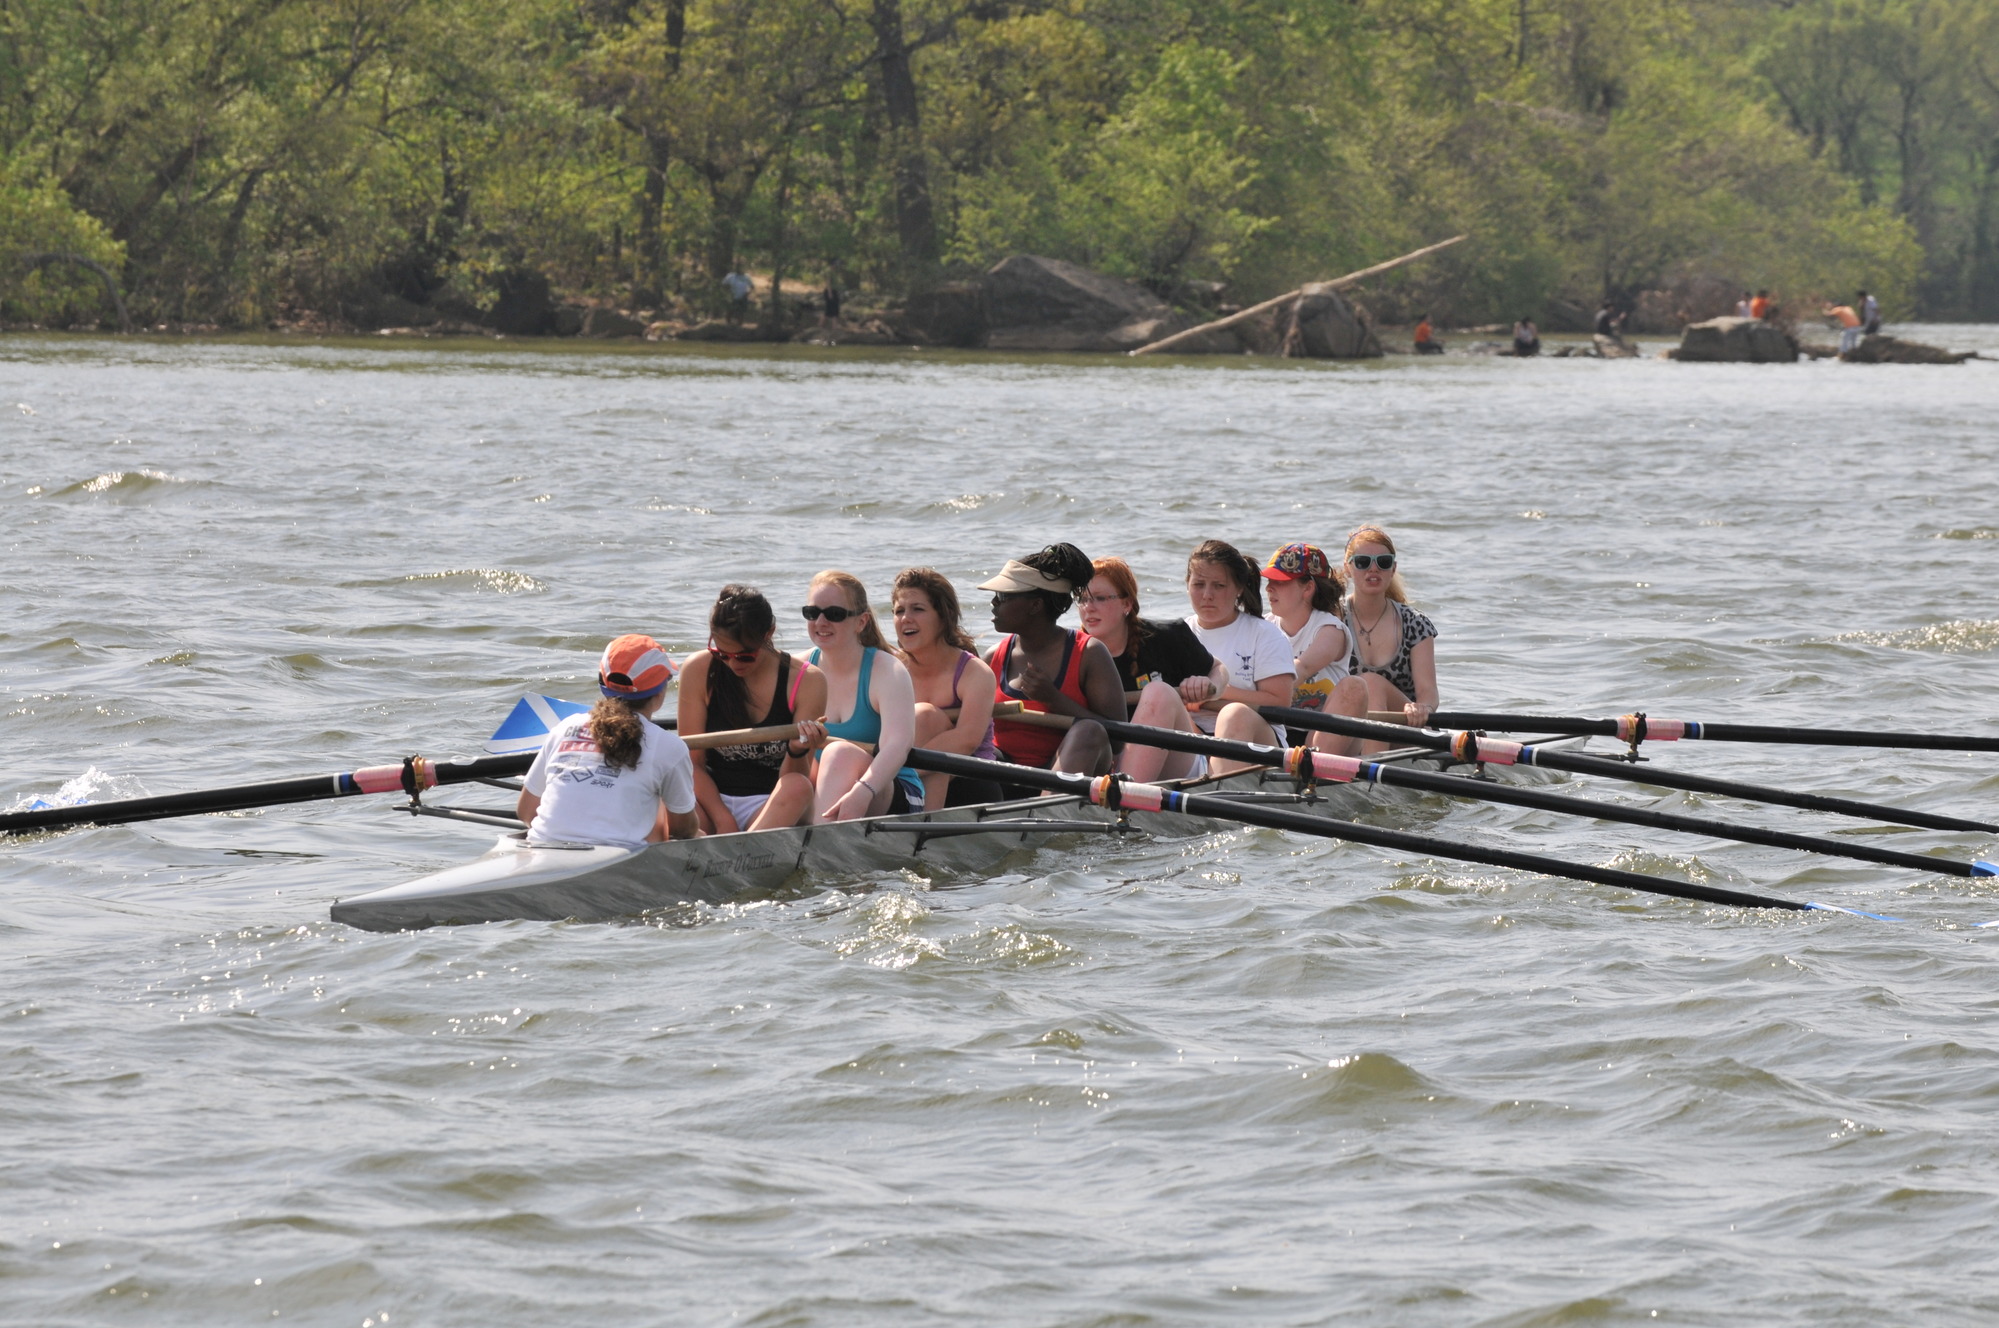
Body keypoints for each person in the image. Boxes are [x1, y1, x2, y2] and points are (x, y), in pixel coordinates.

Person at [516, 635, 699, 848]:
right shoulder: (670, 747)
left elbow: (526, 812)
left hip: (540, 846)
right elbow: (683, 831)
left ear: (603, 684)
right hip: (616, 861)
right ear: (660, 693)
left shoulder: (566, 726)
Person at [676, 585, 826, 835]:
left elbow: (794, 776)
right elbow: (693, 765)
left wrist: (798, 750)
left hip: (770, 801)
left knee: (798, 786)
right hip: (709, 800)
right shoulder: (698, 669)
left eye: (745, 656)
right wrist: (724, 820)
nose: (733, 663)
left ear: (769, 634)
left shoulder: (808, 681)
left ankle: (740, 852)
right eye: (722, 654)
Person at [1078, 556, 1228, 783]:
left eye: (1099, 598)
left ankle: (1125, 798)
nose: (1088, 608)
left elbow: (1219, 669)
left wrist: (1210, 687)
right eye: (1082, 599)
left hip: (1174, 759)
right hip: (1106, 760)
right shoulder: (1073, 652)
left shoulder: (1166, 636)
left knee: (1158, 692)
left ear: (1126, 604)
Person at [984, 543, 1125, 781]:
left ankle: (1047, 809)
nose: (994, 603)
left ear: (1035, 605)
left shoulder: (1089, 653)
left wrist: (1053, 699)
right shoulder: (992, 656)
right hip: (1005, 772)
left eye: (1003, 596)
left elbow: (1119, 739)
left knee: (1089, 731)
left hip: (1067, 772)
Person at [802, 570, 922, 821]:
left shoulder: (888, 671)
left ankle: (818, 849)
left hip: (885, 788)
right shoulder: (796, 669)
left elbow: (897, 746)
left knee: (838, 753)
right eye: (812, 613)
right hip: (820, 782)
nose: (821, 622)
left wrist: (863, 791)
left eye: (834, 614)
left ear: (861, 621)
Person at [891, 567, 1001, 808]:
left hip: (970, 781)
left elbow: (967, 741)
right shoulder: (891, 669)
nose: (905, 618)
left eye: (917, 609)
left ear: (944, 616)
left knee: (925, 716)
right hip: (903, 776)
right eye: (899, 611)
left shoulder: (975, 672)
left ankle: (921, 828)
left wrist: (894, 768)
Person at [1182, 540, 1294, 775]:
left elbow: (1280, 702)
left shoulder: (1264, 634)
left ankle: (1217, 794)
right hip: (1193, 736)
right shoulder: (1177, 634)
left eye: (1219, 586)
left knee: (1234, 714)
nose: (1207, 595)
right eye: (1199, 584)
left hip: (1257, 740)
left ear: (1239, 589)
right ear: (1187, 585)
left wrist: (1215, 691)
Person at [1261, 543, 1370, 755]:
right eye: (1269, 580)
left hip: (1328, 734)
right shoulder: (1264, 627)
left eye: (1279, 581)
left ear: (1307, 588)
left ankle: (1312, 772)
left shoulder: (1329, 630)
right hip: (1280, 732)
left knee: (1354, 687)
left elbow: (1302, 668)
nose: (1268, 588)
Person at [1340, 526, 1439, 752]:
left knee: (1371, 684)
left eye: (1383, 562)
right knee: (1365, 686)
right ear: (1348, 568)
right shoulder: (1333, 619)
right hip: (1349, 727)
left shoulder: (1415, 623)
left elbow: (1428, 692)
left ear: (1393, 568)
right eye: (1363, 562)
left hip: (1406, 730)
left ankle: (1372, 778)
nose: (1373, 569)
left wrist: (1423, 708)